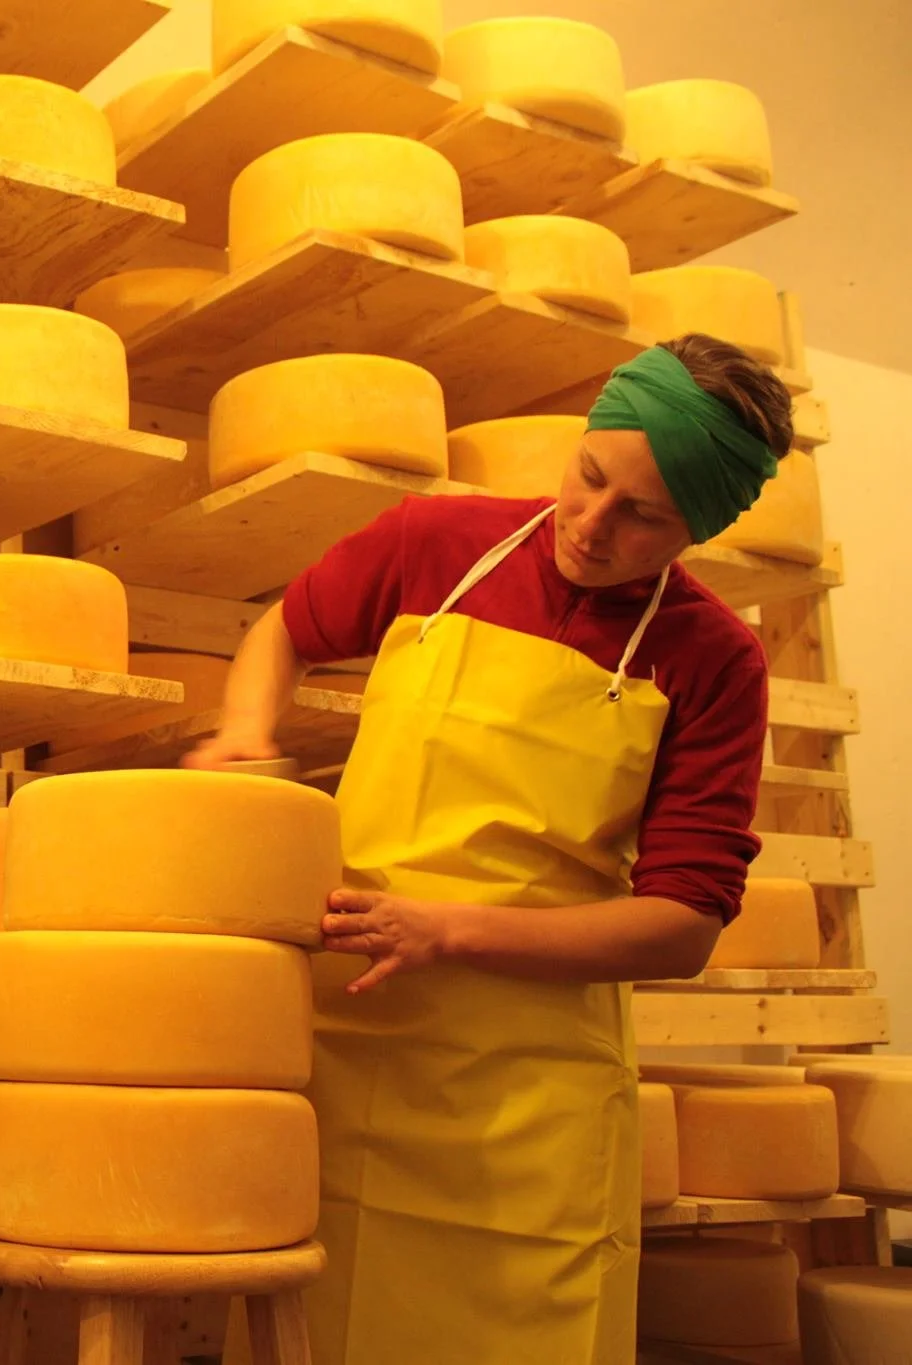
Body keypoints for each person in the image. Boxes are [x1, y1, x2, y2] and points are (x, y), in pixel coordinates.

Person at [185, 335, 795, 1365]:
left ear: (698, 528)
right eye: (588, 476)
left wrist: (449, 931)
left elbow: (681, 925)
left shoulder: (714, 659)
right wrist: (247, 729)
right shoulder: (436, 542)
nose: (589, 525)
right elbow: (285, 628)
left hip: (530, 1096)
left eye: (641, 516)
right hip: (348, 1038)